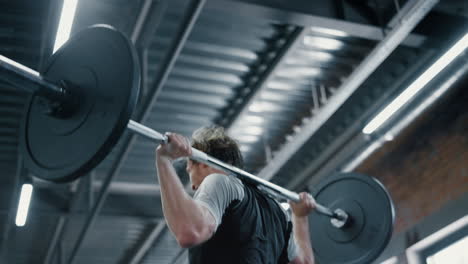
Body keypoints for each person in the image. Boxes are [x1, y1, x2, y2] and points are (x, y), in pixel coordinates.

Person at [155, 126, 316, 264]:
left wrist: (164, 160)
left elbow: (190, 231)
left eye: (190, 172)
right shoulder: (278, 212)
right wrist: (300, 217)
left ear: (202, 163)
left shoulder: (219, 182)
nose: (194, 186)